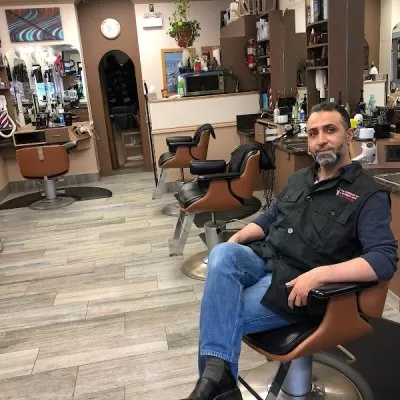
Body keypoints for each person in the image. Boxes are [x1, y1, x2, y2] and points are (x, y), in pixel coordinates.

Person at [181, 102, 398, 400]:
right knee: (221, 254)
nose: (320, 140)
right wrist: (237, 239)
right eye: (313, 133)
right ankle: (220, 384)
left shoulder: (368, 194)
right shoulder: (300, 179)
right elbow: (271, 217)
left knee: (217, 313)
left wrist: (320, 275)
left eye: (330, 130)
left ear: (348, 136)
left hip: (296, 286)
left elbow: (383, 260)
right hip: (265, 259)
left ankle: (216, 387)